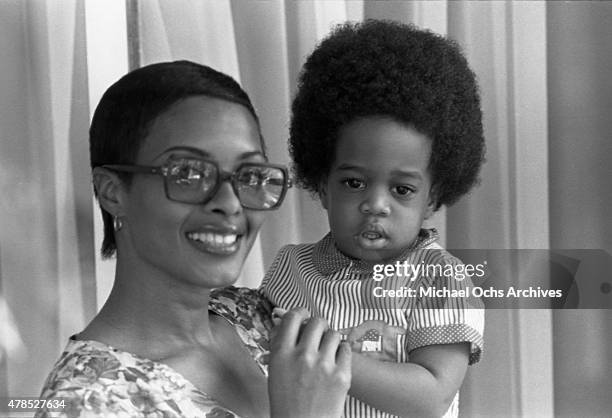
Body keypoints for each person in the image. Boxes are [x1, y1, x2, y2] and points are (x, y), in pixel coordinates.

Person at [36, 60, 351, 418]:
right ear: (113, 192)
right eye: (188, 173)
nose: (230, 204)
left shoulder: (256, 318)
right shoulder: (86, 403)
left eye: (249, 174)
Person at [260, 20, 486, 418]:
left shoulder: (441, 279)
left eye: (401, 190)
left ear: (432, 198)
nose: (375, 204)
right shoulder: (289, 268)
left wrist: (326, 359)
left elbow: (431, 397)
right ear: (322, 184)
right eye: (353, 182)